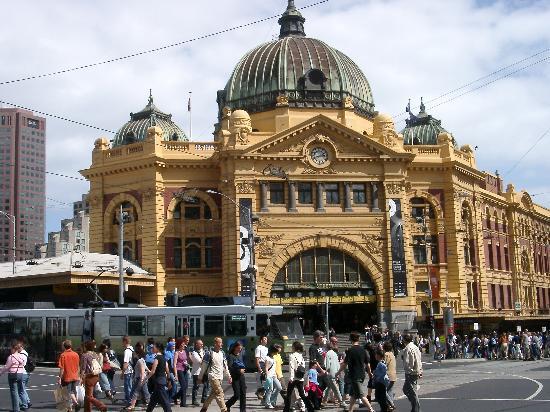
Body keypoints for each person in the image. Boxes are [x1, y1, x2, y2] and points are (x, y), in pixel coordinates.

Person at [336, 332, 374, 412]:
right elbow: (367, 363)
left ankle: (371, 410)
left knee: (360, 394)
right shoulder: (363, 350)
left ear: (350, 340)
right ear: (359, 339)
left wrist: (338, 372)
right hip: (362, 374)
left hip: (354, 375)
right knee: (353, 394)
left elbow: (344, 364)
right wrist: (370, 373)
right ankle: (350, 410)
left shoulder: (350, 351)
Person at [199, 336, 231, 412]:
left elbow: (225, 366)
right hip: (213, 376)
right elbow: (203, 366)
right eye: (220, 342)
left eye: (221, 342)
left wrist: (229, 376)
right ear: (215, 343)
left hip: (220, 376)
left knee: (213, 394)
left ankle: (204, 408)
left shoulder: (222, 353)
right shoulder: (209, 353)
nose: (221, 344)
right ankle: (224, 410)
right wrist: (200, 377)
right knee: (220, 393)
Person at [283, 341, 314, 412]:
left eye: (292, 346)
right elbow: (303, 367)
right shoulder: (301, 356)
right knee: (302, 394)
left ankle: (286, 409)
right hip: (300, 377)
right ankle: (310, 408)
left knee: (289, 394)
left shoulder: (292, 355)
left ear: (294, 347)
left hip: (293, 378)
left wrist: (291, 377)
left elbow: (291, 367)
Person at [80, 340, 107, 412]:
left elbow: (83, 368)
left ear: (86, 347)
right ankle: (87, 410)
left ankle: (101, 405)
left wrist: (81, 378)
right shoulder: (95, 354)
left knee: (88, 396)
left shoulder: (84, 355)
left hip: (89, 377)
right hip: (96, 376)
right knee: (88, 396)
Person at [123, 342, 150, 411]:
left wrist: (141, 379)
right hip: (140, 378)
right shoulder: (141, 360)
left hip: (140, 378)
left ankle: (132, 405)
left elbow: (142, 371)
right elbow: (145, 367)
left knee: (136, 392)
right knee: (141, 392)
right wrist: (149, 372)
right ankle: (132, 404)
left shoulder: (139, 361)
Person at [145, 342, 172, 412]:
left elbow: (153, 371)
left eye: (153, 348)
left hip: (158, 382)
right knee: (153, 400)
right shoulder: (163, 357)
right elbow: (167, 370)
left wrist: (146, 378)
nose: (152, 349)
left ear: (158, 349)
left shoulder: (157, 358)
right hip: (162, 381)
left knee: (165, 401)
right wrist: (169, 380)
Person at [0, 341, 26, 412]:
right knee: (18, 391)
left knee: (13, 392)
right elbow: (23, 364)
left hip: (13, 375)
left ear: (13, 349)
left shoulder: (11, 357)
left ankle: (16, 409)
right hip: (20, 374)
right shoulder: (21, 356)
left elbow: (6, 367)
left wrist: (0, 373)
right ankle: (22, 404)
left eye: (11, 348)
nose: (10, 350)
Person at [58, 340, 81, 412]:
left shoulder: (63, 355)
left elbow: (62, 368)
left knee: (67, 392)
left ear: (64, 346)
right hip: (75, 376)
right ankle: (70, 408)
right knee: (73, 391)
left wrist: (60, 378)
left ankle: (76, 403)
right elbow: (78, 366)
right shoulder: (76, 354)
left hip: (67, 376)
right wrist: (78, 375)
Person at [402, 333, 423, 412]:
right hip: (416, 370)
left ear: (404, 340)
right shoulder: (415, 347)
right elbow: (419, 358)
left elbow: (408, 362)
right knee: (407, 389)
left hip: (411, 372)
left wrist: (408, 370)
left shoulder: (407, 348)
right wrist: (420, 370)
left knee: (412, 391)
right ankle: (415, 406)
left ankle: (416, 408)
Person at [226, 341, 247, 412]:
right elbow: (230, 367)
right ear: (235, 347)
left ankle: (243, 410)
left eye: (240, 348)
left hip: (241, 377)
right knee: (237, 395)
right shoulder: (230, 356)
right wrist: (238, 371)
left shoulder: (240, 355)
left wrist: (243, 369)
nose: (239, 350)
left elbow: (242, 364)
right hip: (235, 378)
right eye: (238, 348)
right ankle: (227, 404)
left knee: (243, 394)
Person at [323, 336, 343, 407]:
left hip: (330, 374)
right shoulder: (334, 353)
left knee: (335, 388)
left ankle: (341, 402)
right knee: (329, 387)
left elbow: (327, 365)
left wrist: (326, 372)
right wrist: (338, 373)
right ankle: (324, 401)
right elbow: (338, 364)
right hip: (335, 373)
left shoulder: (328, 354)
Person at [190, 339, 209, 406]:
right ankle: (194, 400)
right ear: (196, 344)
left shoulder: (203, 351)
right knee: (196, 386)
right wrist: (205, 362)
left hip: (203, 371)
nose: (202, 345)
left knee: (206, 385)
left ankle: (204, 398)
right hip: (197, 372)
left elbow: (206, 360)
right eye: (200, 344)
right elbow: (201, 362)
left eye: (202, 344)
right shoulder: (194, 353)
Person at [173, 336, 191, 407]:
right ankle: (183, 403)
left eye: (184, 344)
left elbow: (185, 360)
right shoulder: (176, 353)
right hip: (179, 370)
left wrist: (187, 364)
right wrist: (176, 374)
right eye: (183, 344)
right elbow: (174, 364)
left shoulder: (184, 351)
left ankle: (175, 397)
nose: (184, 346)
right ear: (180, 345)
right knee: (183, 386)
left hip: (185, 369)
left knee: (185, 386)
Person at [17, 337, 32, 410]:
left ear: (21, 347)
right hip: (27, 373)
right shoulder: (26, 353)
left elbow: (21, 363)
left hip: (22, 374)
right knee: (23, 389)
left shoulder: (21, 354)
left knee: (21, 390)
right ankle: (28, 401)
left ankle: (24, 404)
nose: (17, 349)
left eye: (18, 347)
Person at [383, 341, 397, 411]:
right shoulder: (392, 354)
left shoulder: (386, 354)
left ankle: (391, 404)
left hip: (388, 375)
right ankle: (390, 407)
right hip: (393, 375)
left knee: (383, 391)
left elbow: (384, 364)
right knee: (390, 391)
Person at [121, 336, 135, 406]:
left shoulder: (127, 351)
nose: (122, 343)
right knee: (130, 386)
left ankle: (129, 402)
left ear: (125, 342)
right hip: (131, 370)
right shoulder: (132, 349)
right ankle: (129, 400)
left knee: (128, 387)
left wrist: (122, 373)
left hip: (128, 371)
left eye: (122, 341)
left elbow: (126, 363)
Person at [255, 336, 269, 403]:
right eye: (264, 339)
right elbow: (257, 359)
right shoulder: (258, 348)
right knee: (263, 380)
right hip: (261, 364)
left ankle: (259, 392)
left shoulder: (266, 348)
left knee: (265, 381)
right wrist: (259, 367)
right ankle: (260, 393)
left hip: (266, 364)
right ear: (261, 341)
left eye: (266, 339)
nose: (266, 340)